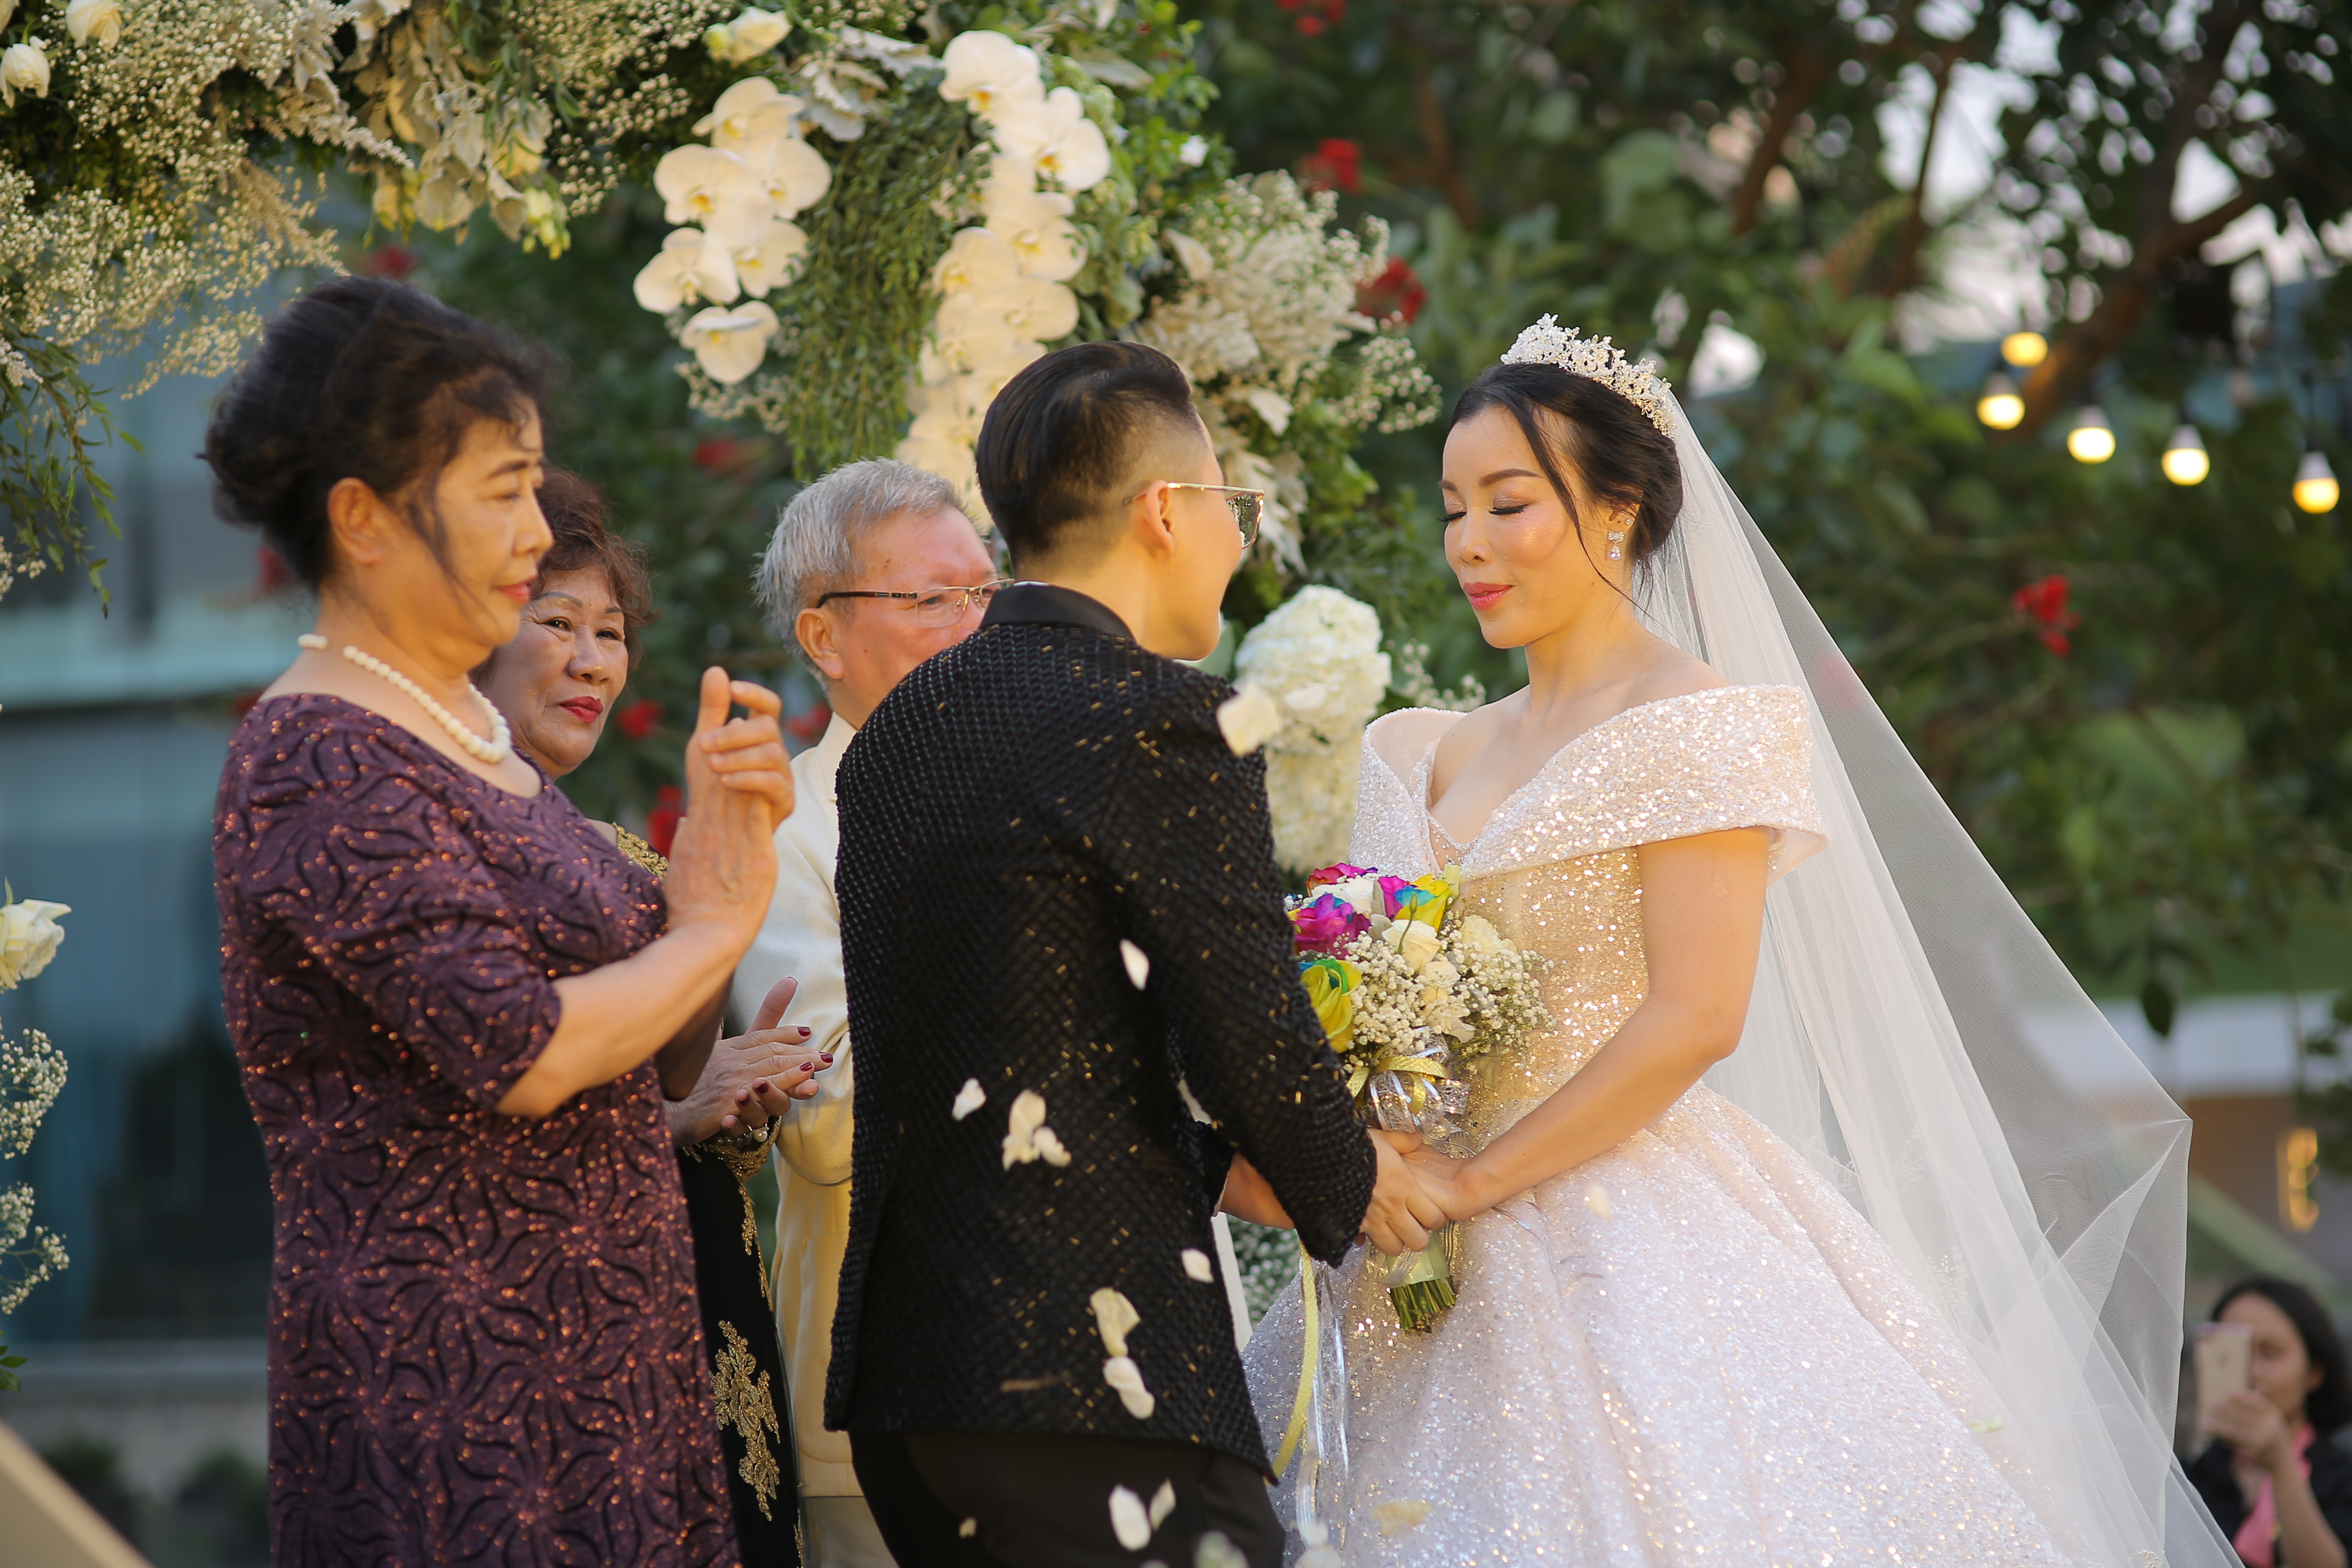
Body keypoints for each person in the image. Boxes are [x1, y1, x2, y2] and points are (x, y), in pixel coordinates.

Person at [1242, 318, 2238, 1567]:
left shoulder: (1697, 725)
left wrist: (1474, 1187)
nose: (1469, 544)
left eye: (1508, 503)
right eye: (1453, 510)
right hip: (1396, 1233)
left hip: (1614, 1224)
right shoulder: (1412, 746)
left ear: (1616, 511)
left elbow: (1697, 1015)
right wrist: (1370, 1152)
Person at [825, 341, 1445, 1568]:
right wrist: (1358, 1177)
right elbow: (1245, 1029)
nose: (1237, 544)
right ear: (1167, 510)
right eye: (1234, 508)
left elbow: (1018, 1033)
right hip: (1088, 1371)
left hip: (913, 1384)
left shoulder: (898, 731)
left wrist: (1227, 1163)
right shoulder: (1161, 717)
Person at [205, 276, 792, 1566]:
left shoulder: (472, 745)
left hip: (612, 1366)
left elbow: (657, 1068)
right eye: (503, 491)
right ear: (362, 517)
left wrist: (715, 864)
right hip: (460, 1391)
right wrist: (711, 925)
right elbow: (522, 1050)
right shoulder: (317, 753)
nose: (537, 533)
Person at [475, 467, 826, 1568]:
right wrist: (676, 1115)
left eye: (612, 632)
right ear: (471, 629)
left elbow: (680, 1086)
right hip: (563, 1333)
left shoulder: (629, 859)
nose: (593, 661)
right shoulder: (446, 850)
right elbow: (484, 1113)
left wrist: (739, 1095)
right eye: (558, 622)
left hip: (705, 1308)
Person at [726, 457, 1000, 1568]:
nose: (973, 625)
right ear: (822, 636)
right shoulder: (783, 832)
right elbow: (831, 1119)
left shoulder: (1064, 789)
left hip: (1114, 1378)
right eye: (930, 599)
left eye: (985, 592)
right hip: (897, 1404)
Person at [2188, 1278, 2352, 1567]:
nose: (2251, 1372)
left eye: (2270, 1352)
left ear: (2314, 1371)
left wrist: (2282, 1465)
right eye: (2232, 1354)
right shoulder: (2197, 1472)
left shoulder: (2340, 1475)